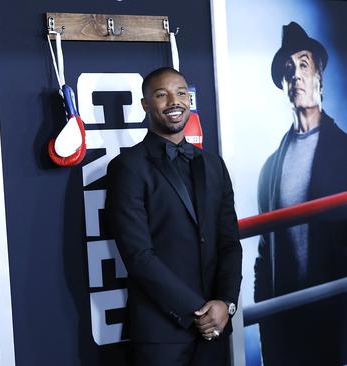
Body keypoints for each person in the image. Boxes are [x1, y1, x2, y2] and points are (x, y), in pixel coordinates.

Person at [105, 67, 242, 365]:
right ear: (145, 105)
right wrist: (199, 311)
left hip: (215, 331)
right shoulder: (127, 167)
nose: (174, 101)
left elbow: (229, 242)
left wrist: (226, 304)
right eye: (161, 94)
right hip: (161, 334)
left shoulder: (213, 164)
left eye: (180, 93)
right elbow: (138, 255)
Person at [254, 21, 347, 365]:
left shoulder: (345, 151)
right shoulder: (270, 169)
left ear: (319, 75)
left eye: (303, 65)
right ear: (281, 84)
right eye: (287, 69)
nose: (295, 75)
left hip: (337, 321)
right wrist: (267, 336)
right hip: (288, 331)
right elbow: (264, 260)